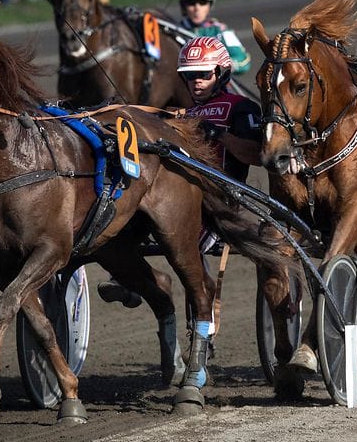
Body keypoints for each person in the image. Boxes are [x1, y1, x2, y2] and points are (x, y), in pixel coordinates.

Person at [97, 36, 262, 306]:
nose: (196, 80)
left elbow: (255, 155)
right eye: (189, 75)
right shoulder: (180, 114)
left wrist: (219, 134)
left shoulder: (240, 107)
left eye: (203, 74)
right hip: (176, 198)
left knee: (184, 251)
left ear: (221, 72)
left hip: (217, 201)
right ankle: (130, 278)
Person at [177, 0, 251, 75]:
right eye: (191, 3)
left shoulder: (221, 31)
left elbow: (244, 60)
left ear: (210, 5)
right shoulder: (173, 31)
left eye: (203, 2)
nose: (197, 8)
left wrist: (226, 66)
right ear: (184, 6)